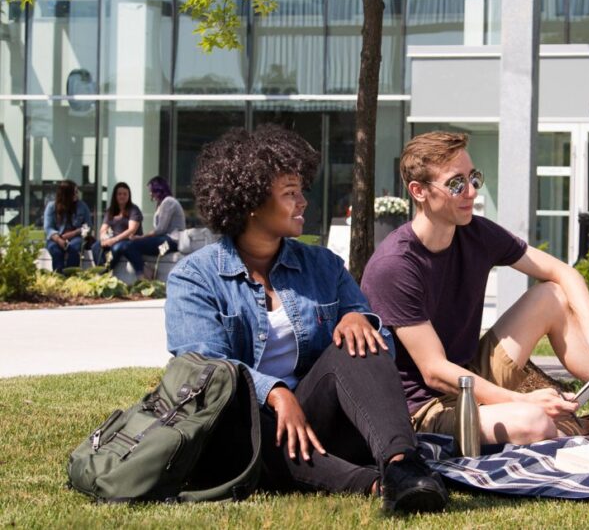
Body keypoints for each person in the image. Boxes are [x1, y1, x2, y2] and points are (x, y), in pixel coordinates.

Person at [164, 124, 447, 514]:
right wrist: (276, 394)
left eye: (302, 190)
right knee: (238, 426)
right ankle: (377, 484)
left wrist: (356, 319)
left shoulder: (322, 265)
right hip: (244, 429)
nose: (303, 202)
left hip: (316, 418)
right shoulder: (195, 277)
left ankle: (402, 465)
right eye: (289, 193)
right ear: (250, 202)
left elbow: (377, 341)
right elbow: (206, 369)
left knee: (361, 340)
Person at [361, 131, 589, 447]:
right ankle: (578, 431)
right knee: (532, 420)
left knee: (550, 295)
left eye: (473, 178)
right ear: (419, 191)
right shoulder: (396, 265)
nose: (471, 192)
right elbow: (434, 372)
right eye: (456, 184)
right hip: (425, 409)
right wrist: (523, 399)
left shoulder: (475, 233)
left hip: (471, 376)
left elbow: (562, 273)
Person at [122, 176, 186, 277]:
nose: (150, 193)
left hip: (170, 242)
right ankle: (145, 270)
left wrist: (141, 237)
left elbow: (161, 229)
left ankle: (143, 275)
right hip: (164, 240)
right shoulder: (161, 204)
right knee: (127, 246)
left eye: (151, 191)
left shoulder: (168, 202)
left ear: (158, 190)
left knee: (130, 246)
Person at [43, 179, 92, 273]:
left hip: (76, 237)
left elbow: (88, 226)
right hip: (56, 238)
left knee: (74, 249)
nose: (77, 195)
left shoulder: (82, 206)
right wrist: (59, 240)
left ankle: (70, 276)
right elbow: (48, 228)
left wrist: (73, 233)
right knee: (56, 251)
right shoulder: (51, 207)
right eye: (75, 192)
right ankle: (59, 276)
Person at [91, 182, 143, 268]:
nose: (122, 196)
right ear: (115, 196)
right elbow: (103, 229)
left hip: (128, 241)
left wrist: (114, 240)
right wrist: (104, 237)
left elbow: (131, 231)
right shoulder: (111, 210)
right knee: (95, 246)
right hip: (113, 240)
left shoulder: (134, 210)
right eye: (119, 194)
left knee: (116, 248)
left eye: (125, 194)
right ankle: (102, 271)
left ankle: (105, 271)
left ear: (129, 196)